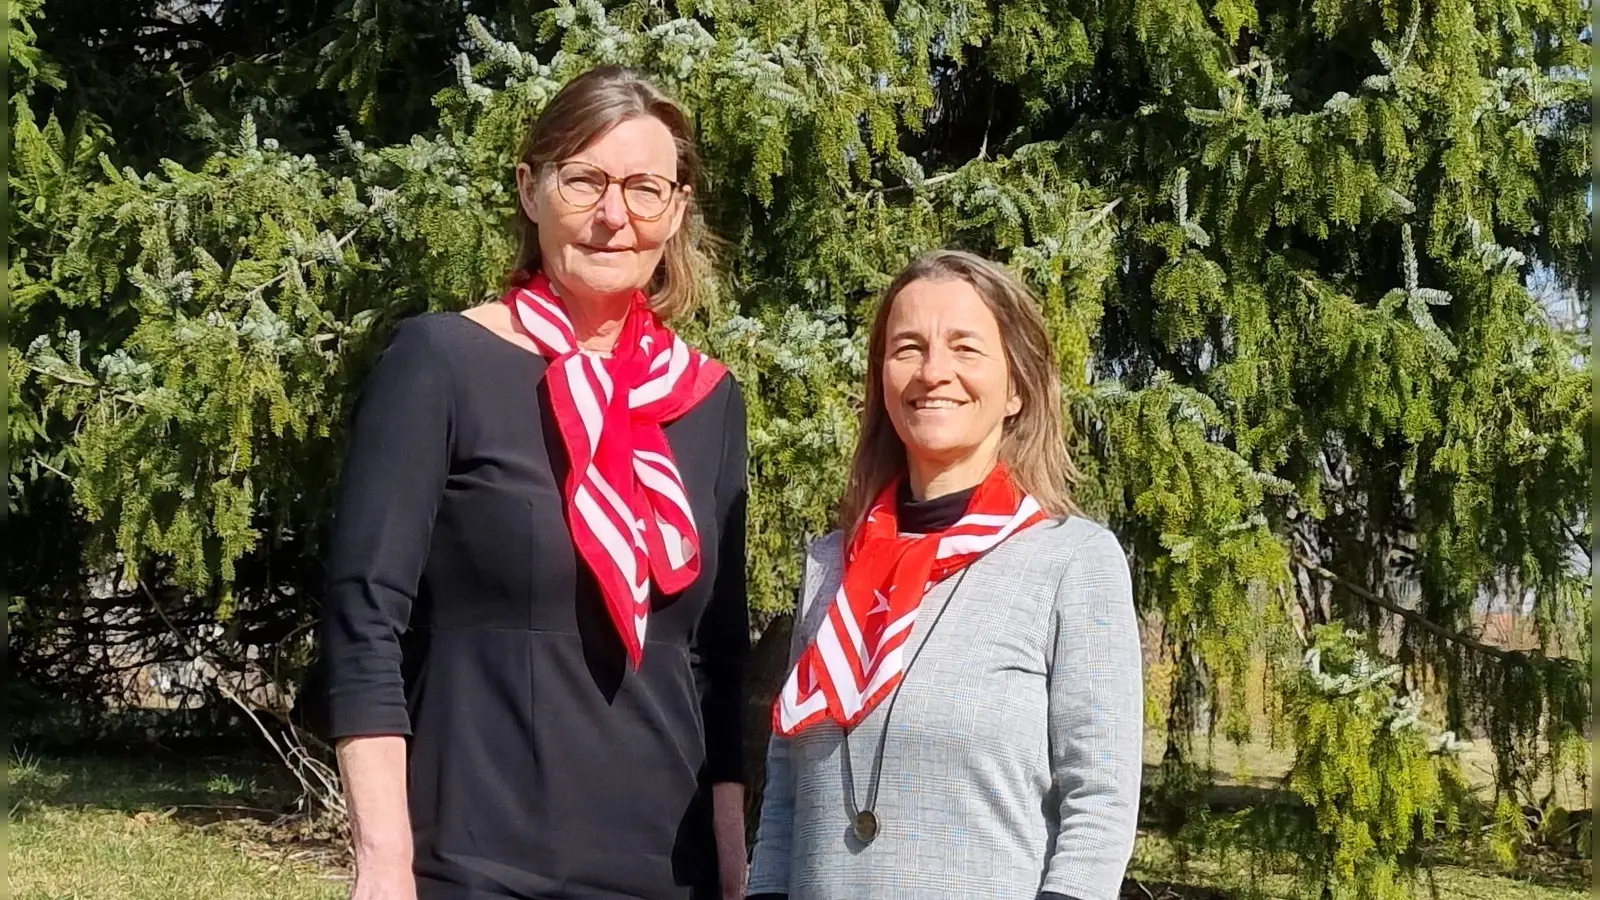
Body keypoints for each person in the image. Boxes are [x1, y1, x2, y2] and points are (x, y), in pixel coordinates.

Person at [316, 66, 749, 900]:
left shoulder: (707, 398)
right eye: (583, 179)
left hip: (670, 872)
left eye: (644, 188)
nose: (613, 215)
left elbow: (715, 659)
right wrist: (384, 862)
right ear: (530, 188)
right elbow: (364, 618)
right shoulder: (441, 361)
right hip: (480, 865)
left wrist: (732, 874)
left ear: (678, 209)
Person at [744, 250, 1143, 900]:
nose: (934, 372)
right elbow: (789, 784)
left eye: (965, 348)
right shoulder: (828, 568)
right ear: (881, 380)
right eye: (908, 348)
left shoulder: (1072, 562)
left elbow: (1099, 802)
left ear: (1016, 387)